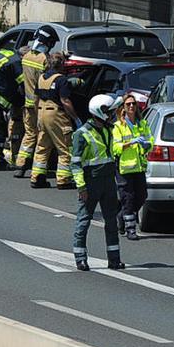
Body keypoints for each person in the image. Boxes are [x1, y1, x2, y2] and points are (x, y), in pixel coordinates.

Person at [70, 94, 126, 271]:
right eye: (109, 113)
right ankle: (80, 258)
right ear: (99, 113)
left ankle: (114, 259)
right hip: (91, 182)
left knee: (111, 221)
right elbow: (76, 163)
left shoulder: (108, 130)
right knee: (84, 221)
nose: (112, 116)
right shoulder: (82, 134)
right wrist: (81, 186)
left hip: (108, 181)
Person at [30, 53, 82, 189]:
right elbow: (65, 101)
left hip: (41, 112)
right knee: (64, 147)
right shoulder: (61, 80)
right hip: (56, 114)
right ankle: (63, 180)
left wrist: (37, 117)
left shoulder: (41, 78)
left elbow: (35, 99)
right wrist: (75, 117)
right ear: (61, 65)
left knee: (42, 146)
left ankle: (37, 178)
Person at [14, 25, 58, 178]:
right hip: (40, 105)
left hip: (27, 104)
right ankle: (38, 170)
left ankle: (20, 165)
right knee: (42, 137)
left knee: (29, 134)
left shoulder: (26, 57)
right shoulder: (45, 59)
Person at [112, 94, 153, 241]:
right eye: (128, 104)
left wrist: (147, 145)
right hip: (124, 168)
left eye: (133, 104)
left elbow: (150, 140)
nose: (131, 106)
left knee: (142, 196)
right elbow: (115, 148)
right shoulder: (118, 127)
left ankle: (121, 216)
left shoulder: (142, 124)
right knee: (128, 198)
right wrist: (131, 143)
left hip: (139, 167)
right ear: (123, 107)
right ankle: (130, 229)